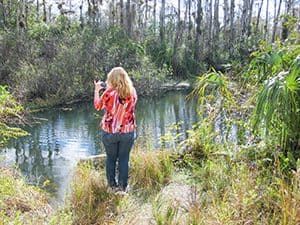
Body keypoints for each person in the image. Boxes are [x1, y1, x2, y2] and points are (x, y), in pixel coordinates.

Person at [94, 67, 137, 192]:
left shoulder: (109, 93)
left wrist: (97, 90)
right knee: (124, 158)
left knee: (111, 158)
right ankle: (123, 187)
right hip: (127, 131)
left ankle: (112, 186)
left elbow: (97, 106)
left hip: (110, 132)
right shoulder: (132, 91)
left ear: (111, 79)